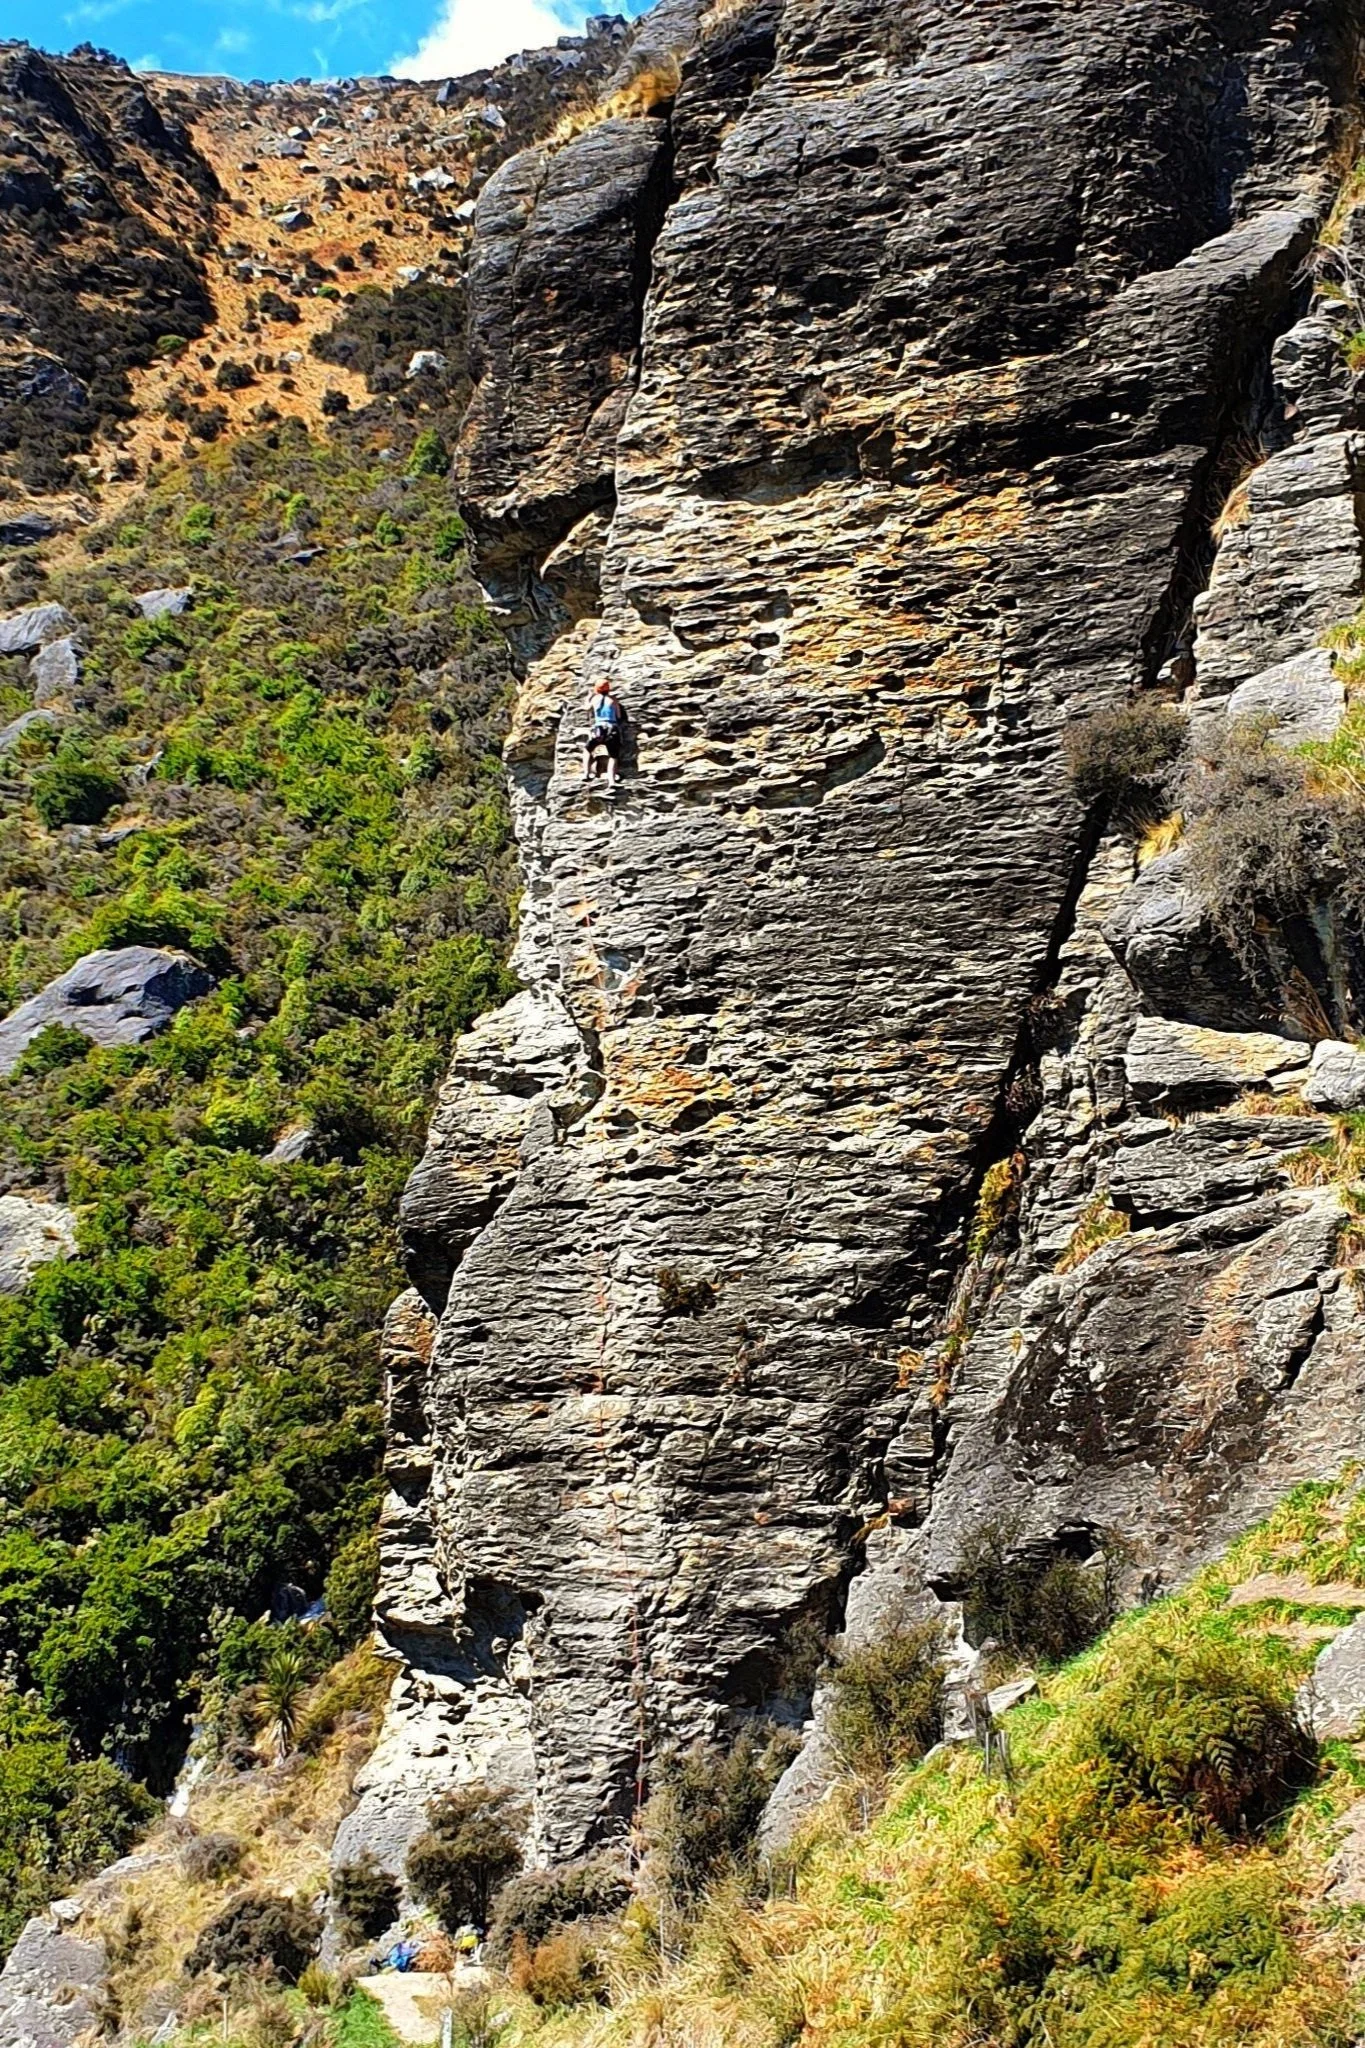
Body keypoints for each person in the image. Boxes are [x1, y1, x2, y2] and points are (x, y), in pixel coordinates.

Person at [585, 677, 625, 791]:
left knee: (588, 749)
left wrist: (588, 698)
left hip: (598, 728)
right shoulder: (613, 700)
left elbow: (586, 708)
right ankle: (611, 781)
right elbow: (618, 716)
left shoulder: (595, 699)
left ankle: (586, 773)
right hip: (612, 728)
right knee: (613, 756)